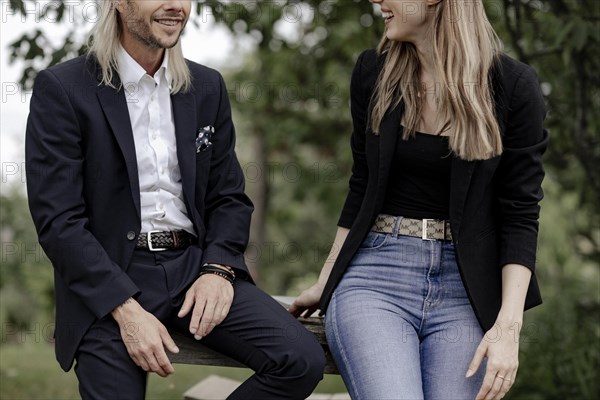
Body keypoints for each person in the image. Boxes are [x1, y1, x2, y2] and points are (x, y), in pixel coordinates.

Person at [25, 1, 325, 398]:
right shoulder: (64, 89)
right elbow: (59, 223)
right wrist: (126, 309)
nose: (175, 6)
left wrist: (218, 269)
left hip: (194, 269)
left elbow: (229, 197)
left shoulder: (206, 87)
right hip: (111, 277)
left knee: (300, 360)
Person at [290, 0, 548, 399]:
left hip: (465, 290)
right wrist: (327, 279)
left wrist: (507, 328)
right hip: (375, 278)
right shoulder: (373, 73)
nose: (376, 1)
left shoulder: (512, 86)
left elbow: (520, 213)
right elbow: (361, 186)